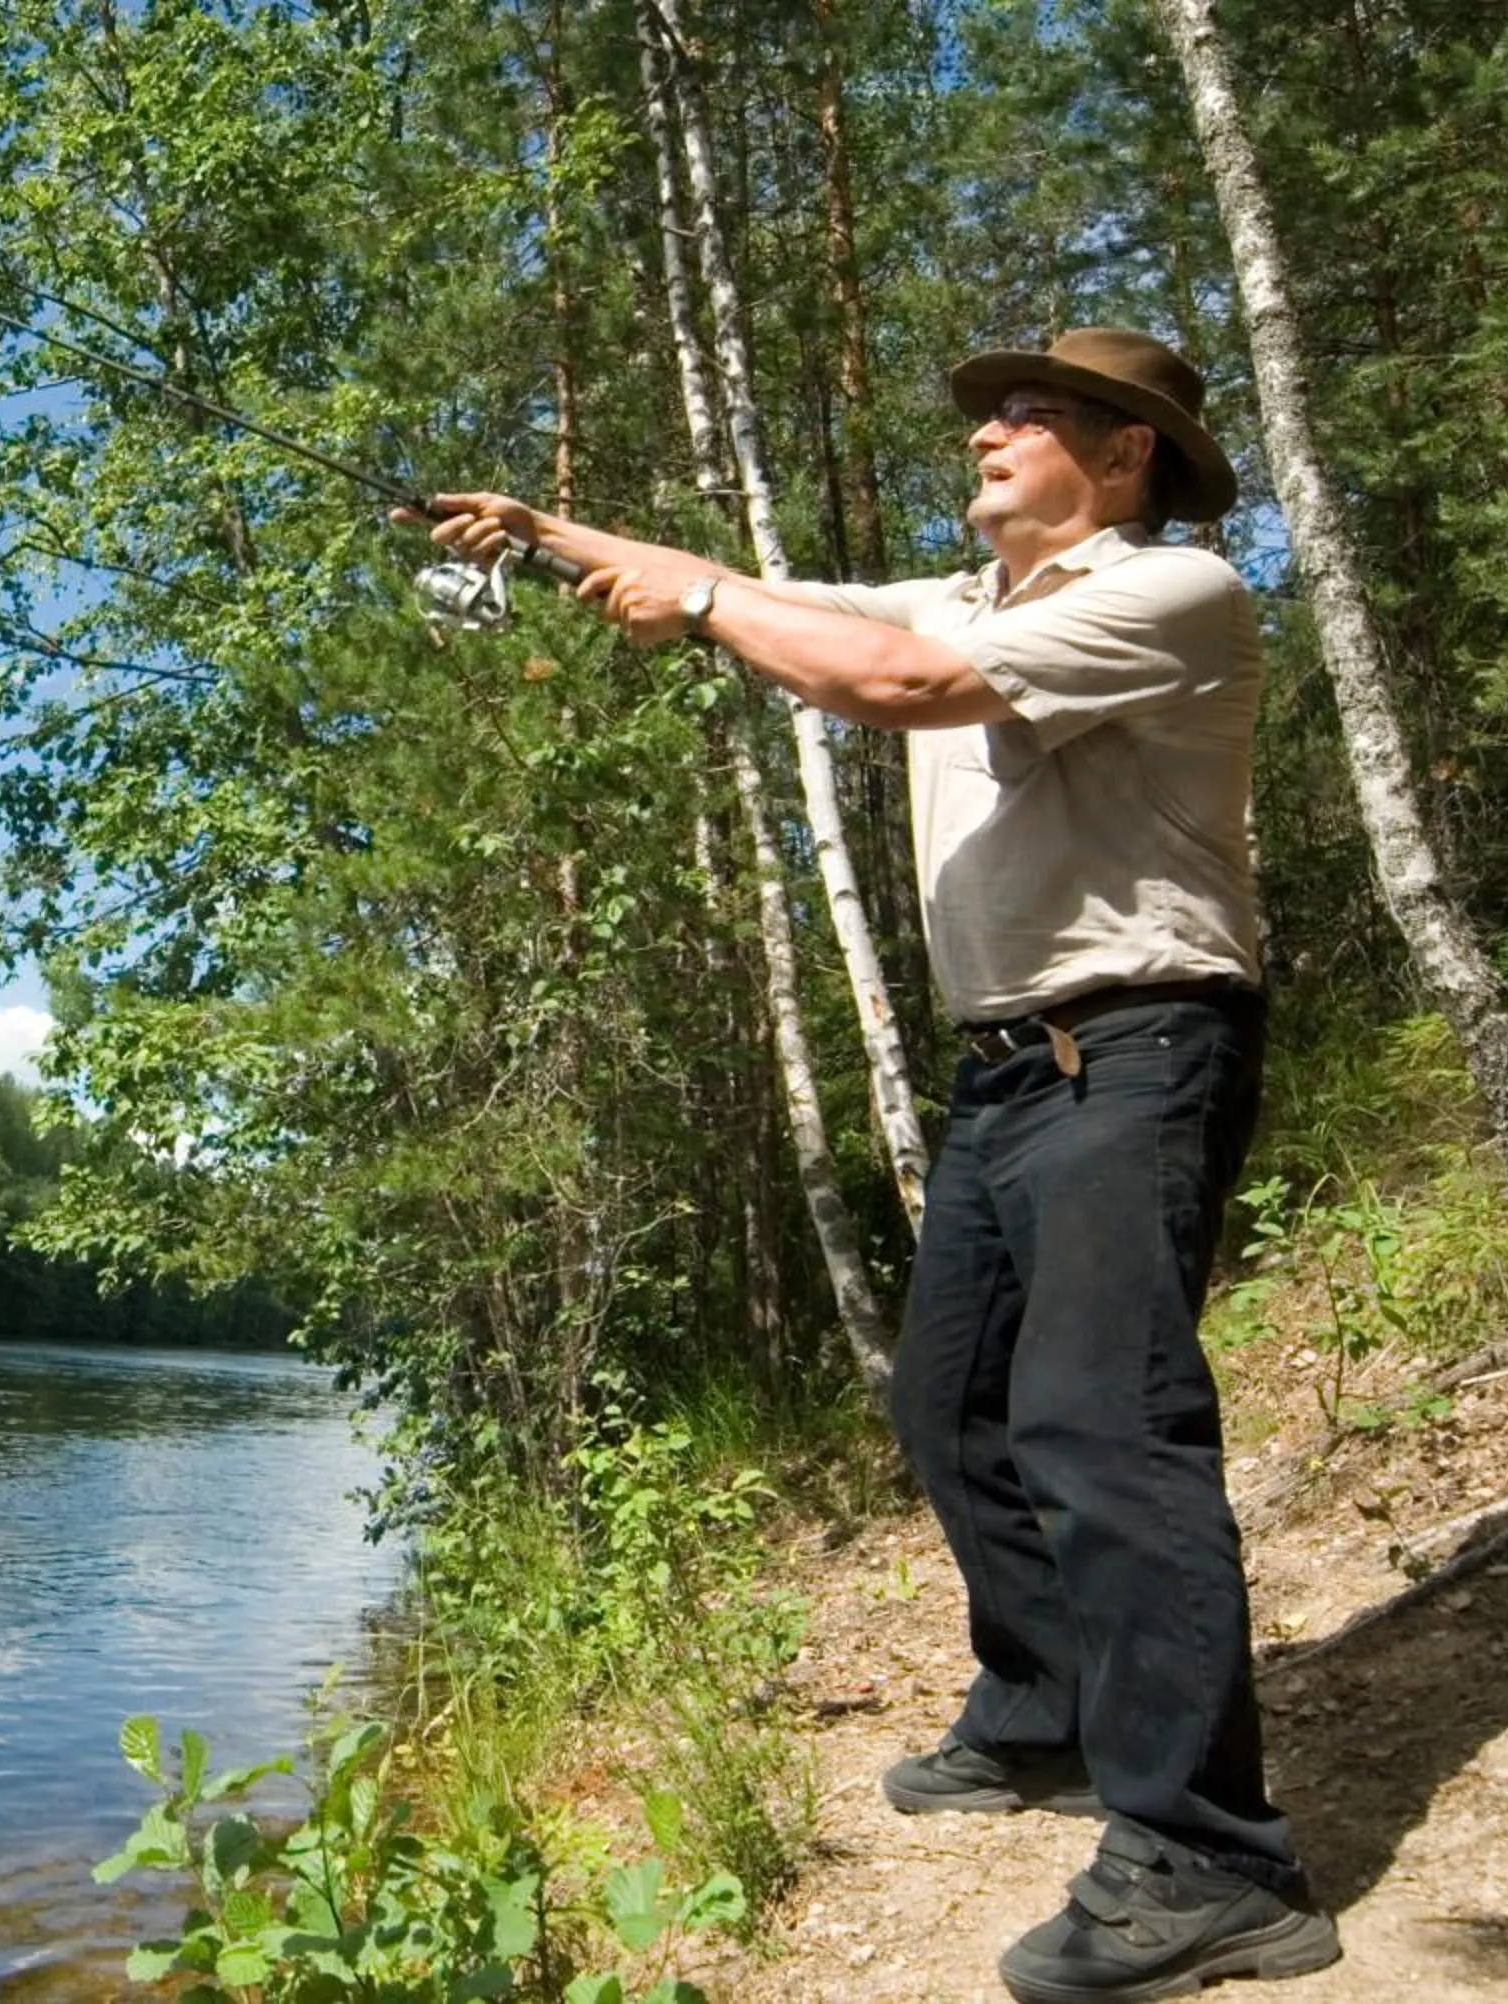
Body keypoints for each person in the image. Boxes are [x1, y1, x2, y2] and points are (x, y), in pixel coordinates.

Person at [412, 328, 1341, 2004]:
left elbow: (884, 680)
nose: (989, 431)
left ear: (1124, 454)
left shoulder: (1171, 593)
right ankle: (1049, 1710)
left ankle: (1214, 1859)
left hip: (1140, 1045)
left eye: (1031, 414)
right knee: (951, 1405)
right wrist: (546, 537)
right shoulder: (966, 597)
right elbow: (764, 593)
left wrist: (703, 607)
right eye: (994, 412)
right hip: (1013, 1071)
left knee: (1104, 1433)